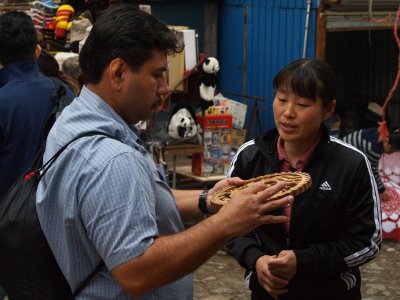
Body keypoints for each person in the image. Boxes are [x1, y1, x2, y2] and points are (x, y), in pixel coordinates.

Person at [36, 4, 293, 299]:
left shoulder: (73, 121)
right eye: (157, 75)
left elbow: (130, 199)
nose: (164, 88)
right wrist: (225, 224)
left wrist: (206, 201)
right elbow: (137, 270)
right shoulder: (112, 160)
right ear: (118, 73)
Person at [226, 59, 382, 300]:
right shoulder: (250, 156)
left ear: (328, 109)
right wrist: (256, 260)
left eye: (302, 104)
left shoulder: (351, 164)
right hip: (267, 293)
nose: (288, 112)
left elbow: (367, 241)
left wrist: (303, 260)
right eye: (281, 99)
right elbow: (227, 223)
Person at [0, 11, 71, 197]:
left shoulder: (4, 102)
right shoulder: (63, 92)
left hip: (8, 219)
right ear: (37, 51)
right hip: (60, 213)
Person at [343, 126, 400, 202]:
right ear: (386, 141)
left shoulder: (380, 132)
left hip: (344, 144)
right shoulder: (374, 149)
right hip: (344, 158)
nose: (390, 153)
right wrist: (382, 190)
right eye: (391, 150)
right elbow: (373, 171)